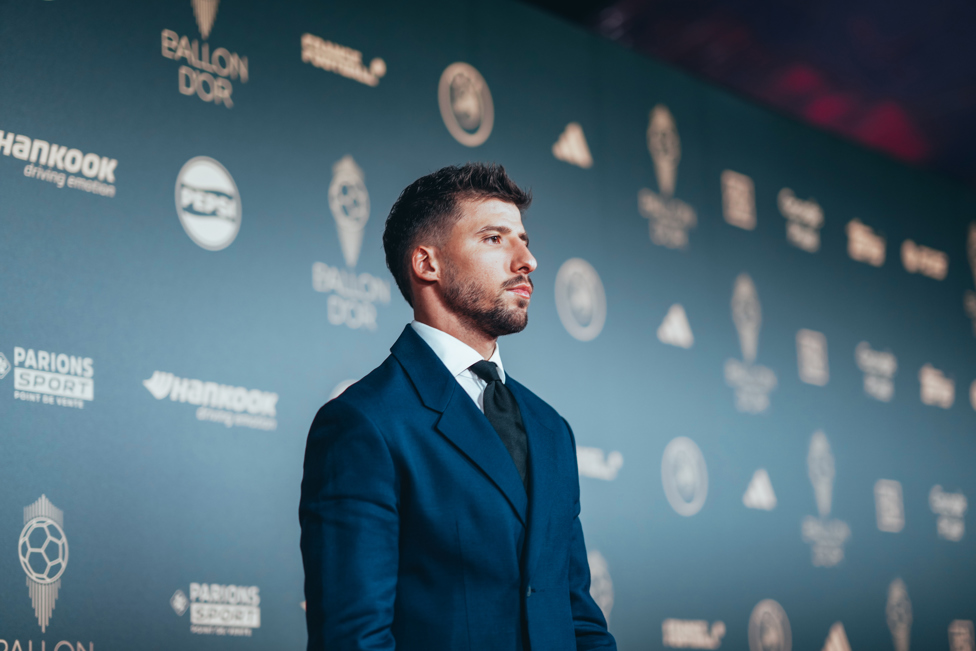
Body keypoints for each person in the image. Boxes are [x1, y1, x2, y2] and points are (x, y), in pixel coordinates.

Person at [300, 163, 616, 651]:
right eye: (495, 238)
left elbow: (578, 617)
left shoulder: (551, 428)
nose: (527, 259)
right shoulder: (364, 423)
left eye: (524, 240)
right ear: (427, 264)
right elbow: (354, 639)